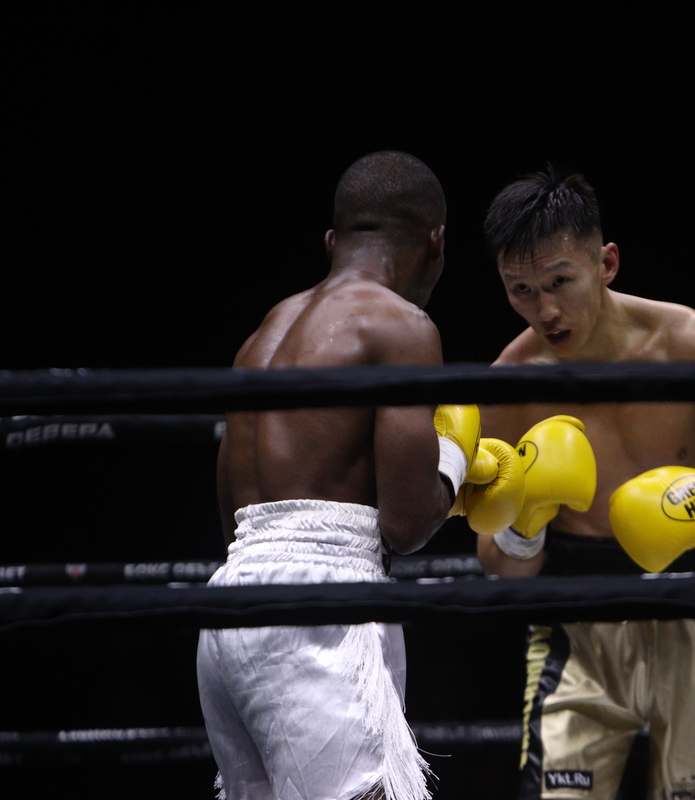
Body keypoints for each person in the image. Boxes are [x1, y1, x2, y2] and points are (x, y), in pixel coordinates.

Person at [474, 168, 695, 800]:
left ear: (607, 262)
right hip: (578, 619)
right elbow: (497, 570)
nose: (544, 310)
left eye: (559, 282)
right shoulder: (510, 385)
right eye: (520, 290)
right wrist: (525, 525)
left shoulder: (692, 347)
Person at [199, 151, 481, 800]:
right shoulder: (402, 326)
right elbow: (407, 523)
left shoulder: (262, 336)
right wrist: (459, 457)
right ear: (436, 242)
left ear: (334, 241)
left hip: (228, 605)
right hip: (320, 601)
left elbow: (231, 518)